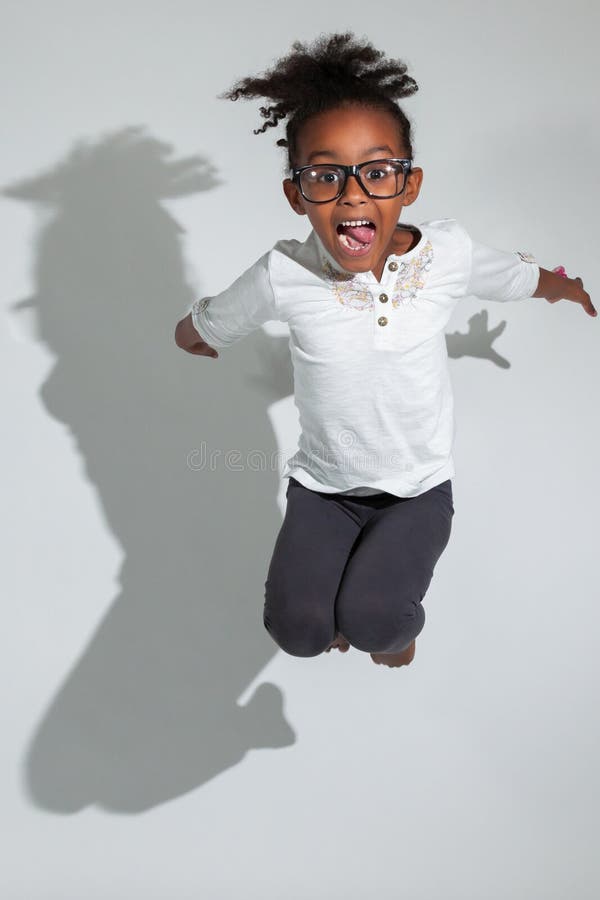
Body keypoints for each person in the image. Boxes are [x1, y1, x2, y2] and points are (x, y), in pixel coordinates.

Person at [175, 32, 595, 669]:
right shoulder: (284, 273)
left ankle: (388, 630)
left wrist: (563, 286)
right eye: (325, 175)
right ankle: (342, 611)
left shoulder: (445, 254)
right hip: (324, 490)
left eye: (376, 172)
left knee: (375, 625)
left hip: (417, 491)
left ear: (410, 184)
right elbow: (214, 323)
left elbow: (513, 276)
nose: (352, 194)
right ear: (296, 195)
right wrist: (193, 335)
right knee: (299, 634)